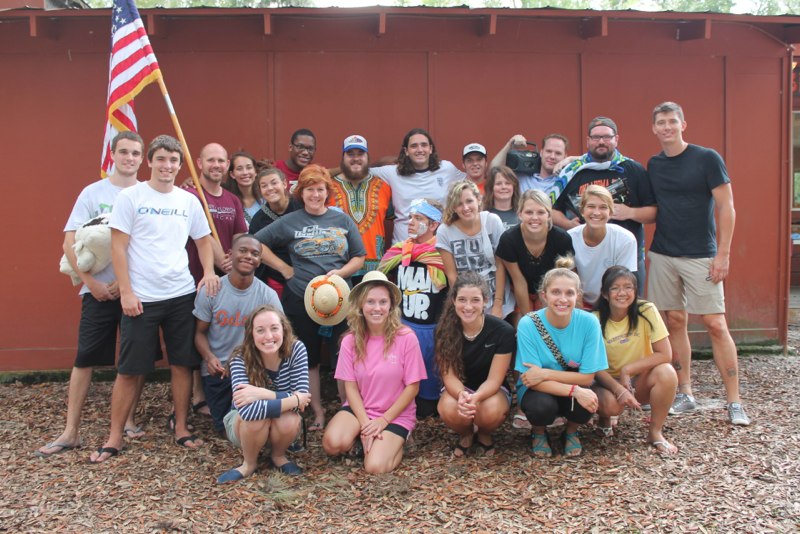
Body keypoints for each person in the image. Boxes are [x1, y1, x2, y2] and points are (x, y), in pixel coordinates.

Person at [90, 135, 220, 463]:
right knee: (129, 369)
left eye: (173, 160)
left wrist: (208, 271)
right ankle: (114, 436)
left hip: (181, 294)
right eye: (161, 159)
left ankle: (182, 427)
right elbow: (118, 246)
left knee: (182, 364)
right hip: (141, 298)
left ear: (179, 165)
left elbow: (203, 240)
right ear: (150, 161)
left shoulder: (188, 200)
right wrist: (126, 291)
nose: (167, 166)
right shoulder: (131, 197)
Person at [36, 132, 148, 458]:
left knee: (136, 359)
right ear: (113, 154)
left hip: (135, 291)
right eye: (123, 152)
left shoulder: (146, 194)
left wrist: (125, 284)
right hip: (96, 292)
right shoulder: (92, 193)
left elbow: (151, 244)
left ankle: (128, 420)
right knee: (85, 359)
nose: (129, 158)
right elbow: (69, 241)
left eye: (135, 153)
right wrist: (90, 282)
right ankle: (71, 430)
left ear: (142, 158)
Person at [647, 101, 750, 425]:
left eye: (672, 121)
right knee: (674, 321)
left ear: (683, 124)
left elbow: (727, 207)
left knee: (716, 324)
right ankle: (686, 393)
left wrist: (723, 254)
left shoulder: (707, 158)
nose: (667, 127)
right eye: (661, 122)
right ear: (654, 128)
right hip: (663, 253)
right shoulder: (654, 164)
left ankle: (734, 401)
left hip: (702, 255)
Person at [254, 164, 366, 430]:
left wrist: (341, 273)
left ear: (327, 192)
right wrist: (284, 268)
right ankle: (316, 411)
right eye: (310, 190)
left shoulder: (342, 220)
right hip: (301, 298)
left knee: (345, 354)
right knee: (308, 357)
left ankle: (347, 409)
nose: (315, 195)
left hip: (340, 300)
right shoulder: (291, 221)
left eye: (320, 189)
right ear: (300, 193)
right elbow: (255, 242)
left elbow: (359, 256)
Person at [322, 272, 426, 473]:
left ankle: (401, 441)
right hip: (360, 408)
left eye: (383, 302)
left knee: (375, 467)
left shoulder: (406, 338)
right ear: (361, 305)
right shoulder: (350, 341)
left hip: (395, 414)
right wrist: (365, 425)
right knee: (332, 444)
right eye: (370, 301)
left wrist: (383, 420)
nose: (377, 308)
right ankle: (363, 439)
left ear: (391, 305)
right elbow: (350, 387)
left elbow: (413, 387)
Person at [516, 259, 608, 457]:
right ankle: (538, 432)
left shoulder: (589, 323)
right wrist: (575, 390)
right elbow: (531, 379)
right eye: (556, 292)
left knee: (586, 402)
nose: (562, 299)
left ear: (578, 296)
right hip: (538, 389)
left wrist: (545, 373)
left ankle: (572, 431)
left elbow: (587, 377)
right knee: (541, 407)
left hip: (564, 381)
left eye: (569, 293)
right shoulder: (528, 324)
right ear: (544, 295)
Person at [552, 117, 656, 292]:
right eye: (596, 137)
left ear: (616, 139)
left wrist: (630, 213)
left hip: (627, 256)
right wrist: (569, 224)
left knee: (628, 303)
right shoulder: (571, 171)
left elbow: (653, 212)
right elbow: (551, 210)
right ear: (588, 141)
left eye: (607, 137)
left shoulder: (633, 169)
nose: (601, 141)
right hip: (584, 258)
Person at [193, 234, 282, 435]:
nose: (249, 256)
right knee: (227, 429)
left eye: (255, 253)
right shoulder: (212, 290)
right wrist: (209, 357)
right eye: (243, 251)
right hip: (219, 371)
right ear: (230, 255)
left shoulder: (267, 295)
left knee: (255, 423)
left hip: (254, 370)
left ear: (259, 261)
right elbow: (199, 333)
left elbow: (281, 338)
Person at [185, 142, 248, 421]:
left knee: (215, 332)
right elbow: (199, 232)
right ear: (199, 163)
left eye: (221, 161)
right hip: (195, 276)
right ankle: (197, 396)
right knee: (195, 333)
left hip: (226, 278)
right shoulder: (189, 195)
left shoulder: (232, 200)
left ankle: (221, 389)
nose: (216, 165)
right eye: (211, 160)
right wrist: (220, 260)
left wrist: (235, 259)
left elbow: (239, 236)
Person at [216, 306, 311, 483]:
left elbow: (302, 403)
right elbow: (248, 413)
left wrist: (264, 393)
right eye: (260, 330)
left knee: (290, 419)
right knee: (257, 419)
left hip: (281, 424)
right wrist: (294, 398)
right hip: (242, 424)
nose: (268, 336)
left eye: (274, 328)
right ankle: (249, 463)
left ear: (284, 329)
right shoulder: (240, 358)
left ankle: (278, 456)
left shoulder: (296, 349)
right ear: (251, 334)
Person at [593, 266, 678, 454]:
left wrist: (628, 370)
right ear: (605, 294)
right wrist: (619, 388)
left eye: (628, 287)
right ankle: (604, 418)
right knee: (611, 407)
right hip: (608, 382)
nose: (622, 293)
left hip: (639, 379)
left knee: (667, 372)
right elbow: (594, 366)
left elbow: (665, 354)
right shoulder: (594, 320)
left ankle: (655, 432)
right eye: (615, 288)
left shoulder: (646, 310)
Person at [378, 198, 448, 418]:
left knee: (428, 406)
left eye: (418, 218)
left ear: (434, 224)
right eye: (410, 217)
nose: (411, 222)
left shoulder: (442, 255)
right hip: (403, 327)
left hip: (432, 330)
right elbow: (382, 280)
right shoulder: (399, 253)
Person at [435, 271, 515, 456]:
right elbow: (449, 376)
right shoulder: (444, 330)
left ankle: (485, 434)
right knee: (447, 408)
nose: (468, 306)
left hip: (491, 390)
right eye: (462, 300)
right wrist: (462, 395)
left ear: (485, 301)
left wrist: (476, 397)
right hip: (459, 388)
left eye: (475, 300)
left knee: (491, 411)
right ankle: (466, 434)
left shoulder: (502, 331)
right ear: (453, 300)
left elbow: (495, 379)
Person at [371, 128, 466, 243]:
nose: (420, 150)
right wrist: (384, 160)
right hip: (403, 248)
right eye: (414, 146)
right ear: (406, 151)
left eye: (424, 145)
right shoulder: (393, 172)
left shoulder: (447, 169)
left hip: (439, 247)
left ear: (430, 149)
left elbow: (472, 179)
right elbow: (360, 171)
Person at [436, 180, 513, 318]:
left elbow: (500, 265)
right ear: (453, 207)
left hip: (496, 297)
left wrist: (498, 305)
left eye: (469, 201)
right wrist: (463, 306)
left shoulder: (492, 222)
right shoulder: (445, 231)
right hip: (467, 303)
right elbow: (452, 275)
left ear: (478, 199)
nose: (465, 208)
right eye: (459, 204)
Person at [497, 189, 575, 316]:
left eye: (541, 212)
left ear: (549, 215)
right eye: (529, 212)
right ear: (520, 214)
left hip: (550, 287)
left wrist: (544, 305)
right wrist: (529, 320)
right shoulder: (509, 239)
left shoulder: (561, 239)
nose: (534, 218)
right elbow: (519, 281)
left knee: (547, 321)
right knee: (522, 323)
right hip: (519, 290)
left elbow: (561, 279)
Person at [328, 135, 393, 279]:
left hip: (374, 269)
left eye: (360, 154)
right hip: (338, 268)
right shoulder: (328, 188)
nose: (356, 158)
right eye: (350, 154)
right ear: (343, 158)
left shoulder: (383, 187)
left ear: (367, 157)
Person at [567, 185, 637, 309]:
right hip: (580, 303)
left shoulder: (625, 239)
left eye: (603, 207)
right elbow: (570, 283)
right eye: (591, 206)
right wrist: (583, 314)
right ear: (582, 211)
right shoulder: (568, 238)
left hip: (613, 303)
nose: (597, 212)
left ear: (610, 212)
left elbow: (622, 285)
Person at [248, 167, 301, 298]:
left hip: (307, 275)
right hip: (277, 280)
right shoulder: (258, 220)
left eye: (274, 183)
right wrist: (284, 269)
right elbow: (254, 248)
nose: (270, 188)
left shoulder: (301, 206)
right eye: (264, 186)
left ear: (284, 184)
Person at [490, 133, 570, 203]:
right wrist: (509, 144)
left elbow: (580, 161)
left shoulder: (566, 179)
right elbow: (493, 170)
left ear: (565, 156)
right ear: (541, 152)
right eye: (548, 151)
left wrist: (569, 160)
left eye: (558, 153)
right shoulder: (522, 176)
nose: (552, 156)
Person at [225, 151, 263, 225]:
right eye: (239, 169)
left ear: (255, 171)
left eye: (249, 167)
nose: (245, 172)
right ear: (232, 174)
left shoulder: (266, 198)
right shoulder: (227, 202)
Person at [482, 166, 521, 230]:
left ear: (514, 187)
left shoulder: (523, 213)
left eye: (508, 183)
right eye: (498, 184)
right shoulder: (483, 215)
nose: (503, 187)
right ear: (491, 188)